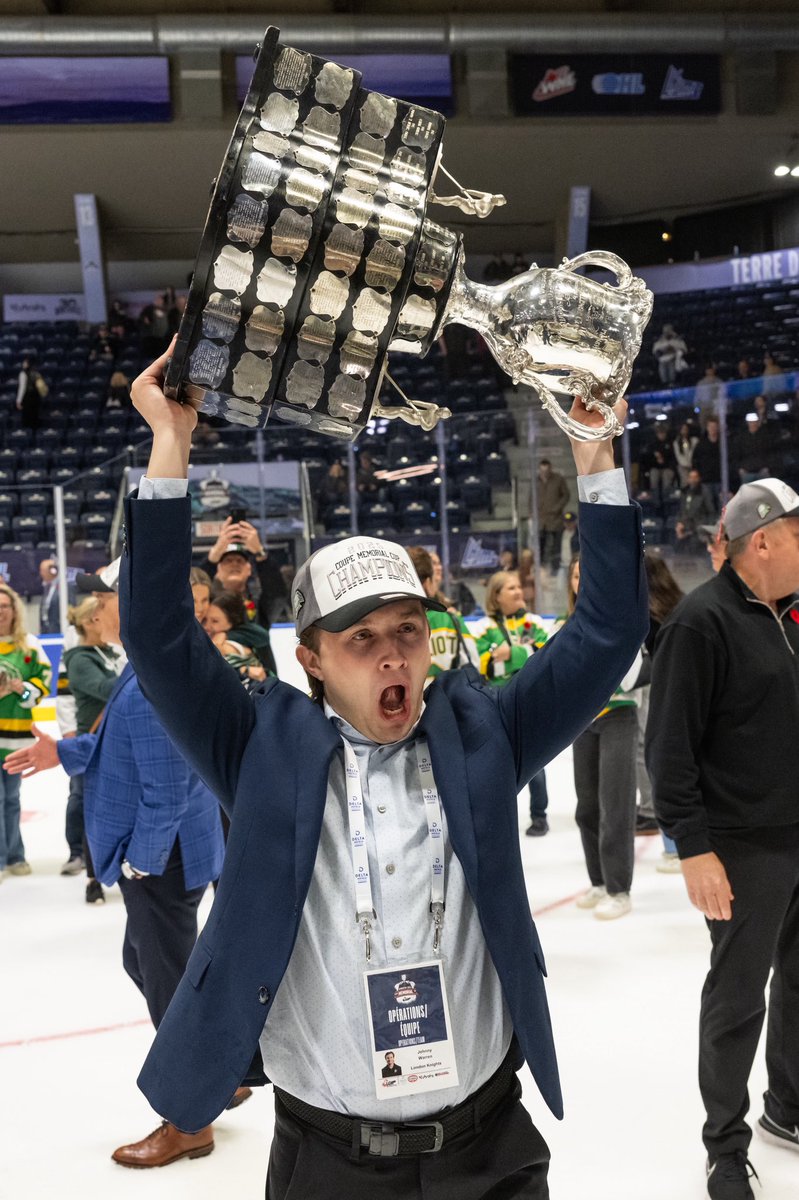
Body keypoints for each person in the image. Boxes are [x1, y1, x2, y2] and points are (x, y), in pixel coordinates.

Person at [111, 340, 646, 1200]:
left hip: (487, 1149)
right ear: (312, 660)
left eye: (406, 631)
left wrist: (594, 453)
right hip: (329, 1162)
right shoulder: (257, 748)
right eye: (360, 639)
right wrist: (170, 443)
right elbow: (159, 637)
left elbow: (608, 631)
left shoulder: (483, 732)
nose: (392, 655)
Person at [4, 561, 228, 1166]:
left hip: (161, 859)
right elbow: (124, 748)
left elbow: (168, 787)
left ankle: (190, 1118)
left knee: (168, 986)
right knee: (149, 964)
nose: (95, 604)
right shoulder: (151, 661)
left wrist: (139, 864)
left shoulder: (155, 671)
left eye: (105, 594)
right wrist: (64, 752)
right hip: (173, 851)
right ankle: (219, 1074)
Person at [646, 478, 799, 1200]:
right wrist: (693, 847)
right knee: (738, 998)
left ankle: (787, 1107)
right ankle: (725, 1147)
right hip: (741, 847)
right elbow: (668, 751)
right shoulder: (700, 623)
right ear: (760, 540)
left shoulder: (790, 615)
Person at [566, 556, 643, 920]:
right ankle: (598, 880)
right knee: (587, 806)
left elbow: (631, 674)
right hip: (583, 720)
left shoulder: (620, 617)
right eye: (575, 575)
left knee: (616, 804)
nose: (581, 580)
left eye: (586, 573)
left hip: (618, 715)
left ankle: (618, 887)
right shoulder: (568, 624)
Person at [476, 570, 551, 837]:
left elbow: (544, 657)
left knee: (535, 763)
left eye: (519, 586)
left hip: (530, 701)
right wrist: (524, 656)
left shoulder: (534, 622)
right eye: (511, 588)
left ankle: (539, 816)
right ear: (496, 596)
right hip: (497, 704)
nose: (519, 591)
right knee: (496, 764)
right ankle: (497, 819)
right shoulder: (483, 627)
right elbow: (484, 668)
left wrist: (509, 654)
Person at [61, 595, 126, 900]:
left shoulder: (109, 652)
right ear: (89, 622)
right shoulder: (79, 659)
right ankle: (92, 877)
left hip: (116, 738)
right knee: (91, 808)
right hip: (94, 741)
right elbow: (106, 688)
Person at [634, 553, 684, 869]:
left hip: (657, 689)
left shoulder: (646, 615)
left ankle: (673, 845)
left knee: (656, 759)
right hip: (680, 687)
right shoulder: (680, 605)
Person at [0, 584, 52, 880]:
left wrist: (23, 690)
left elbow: (43, 682)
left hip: (17, 737)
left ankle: (15, 856)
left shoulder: (29, 645)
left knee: (11, 799)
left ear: (14, 610)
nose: (0, 612)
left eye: (4, 606)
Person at [200, 518, 285, 674]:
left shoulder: (258, 604)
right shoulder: (206, 604)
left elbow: (277, 595)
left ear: (249, 570)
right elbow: (194, 589)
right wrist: (214, 554)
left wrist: (259, 552)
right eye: (228, 560)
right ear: (218, 569)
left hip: (261, 678)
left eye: (240, 560)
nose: (234, 564)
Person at [407, 546, 479, 679]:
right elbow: (473, 663)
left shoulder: (391, 625)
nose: (438, 568)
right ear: (428, 582)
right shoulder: (449, 618)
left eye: (438, 563)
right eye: (433, 564)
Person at [536, 459, 570, 572]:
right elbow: (531, 497)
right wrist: (532, 512)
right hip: (541, 519)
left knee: (556, 545)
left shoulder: (558, 479)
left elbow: (566, 495)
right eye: (542, 471)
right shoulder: (536, 481)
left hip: (555, 518)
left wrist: (557, 508)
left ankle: (555, 567)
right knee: (541, 544)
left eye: (546, 470)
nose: (544, 473)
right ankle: (541, 567)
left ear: (550, 469)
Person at [674, 468, 718, 555]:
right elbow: (681, 511)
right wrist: (679, 523)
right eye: (691, 477)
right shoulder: (685, 492)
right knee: (676, 547)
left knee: (693, 546)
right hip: (686, 526)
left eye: (695, 477)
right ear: (688, 479)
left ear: (699, 479)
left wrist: (704, 529)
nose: (693, 480)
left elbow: (711, 512)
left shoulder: (704, 492)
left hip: (698, 526)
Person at [38, 558, 76, 635]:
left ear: (52, 571)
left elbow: (72, 609)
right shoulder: (47, 588)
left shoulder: (65, 587)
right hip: (46, 631)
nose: (41, 573)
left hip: (61, 630)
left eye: (43, 570)